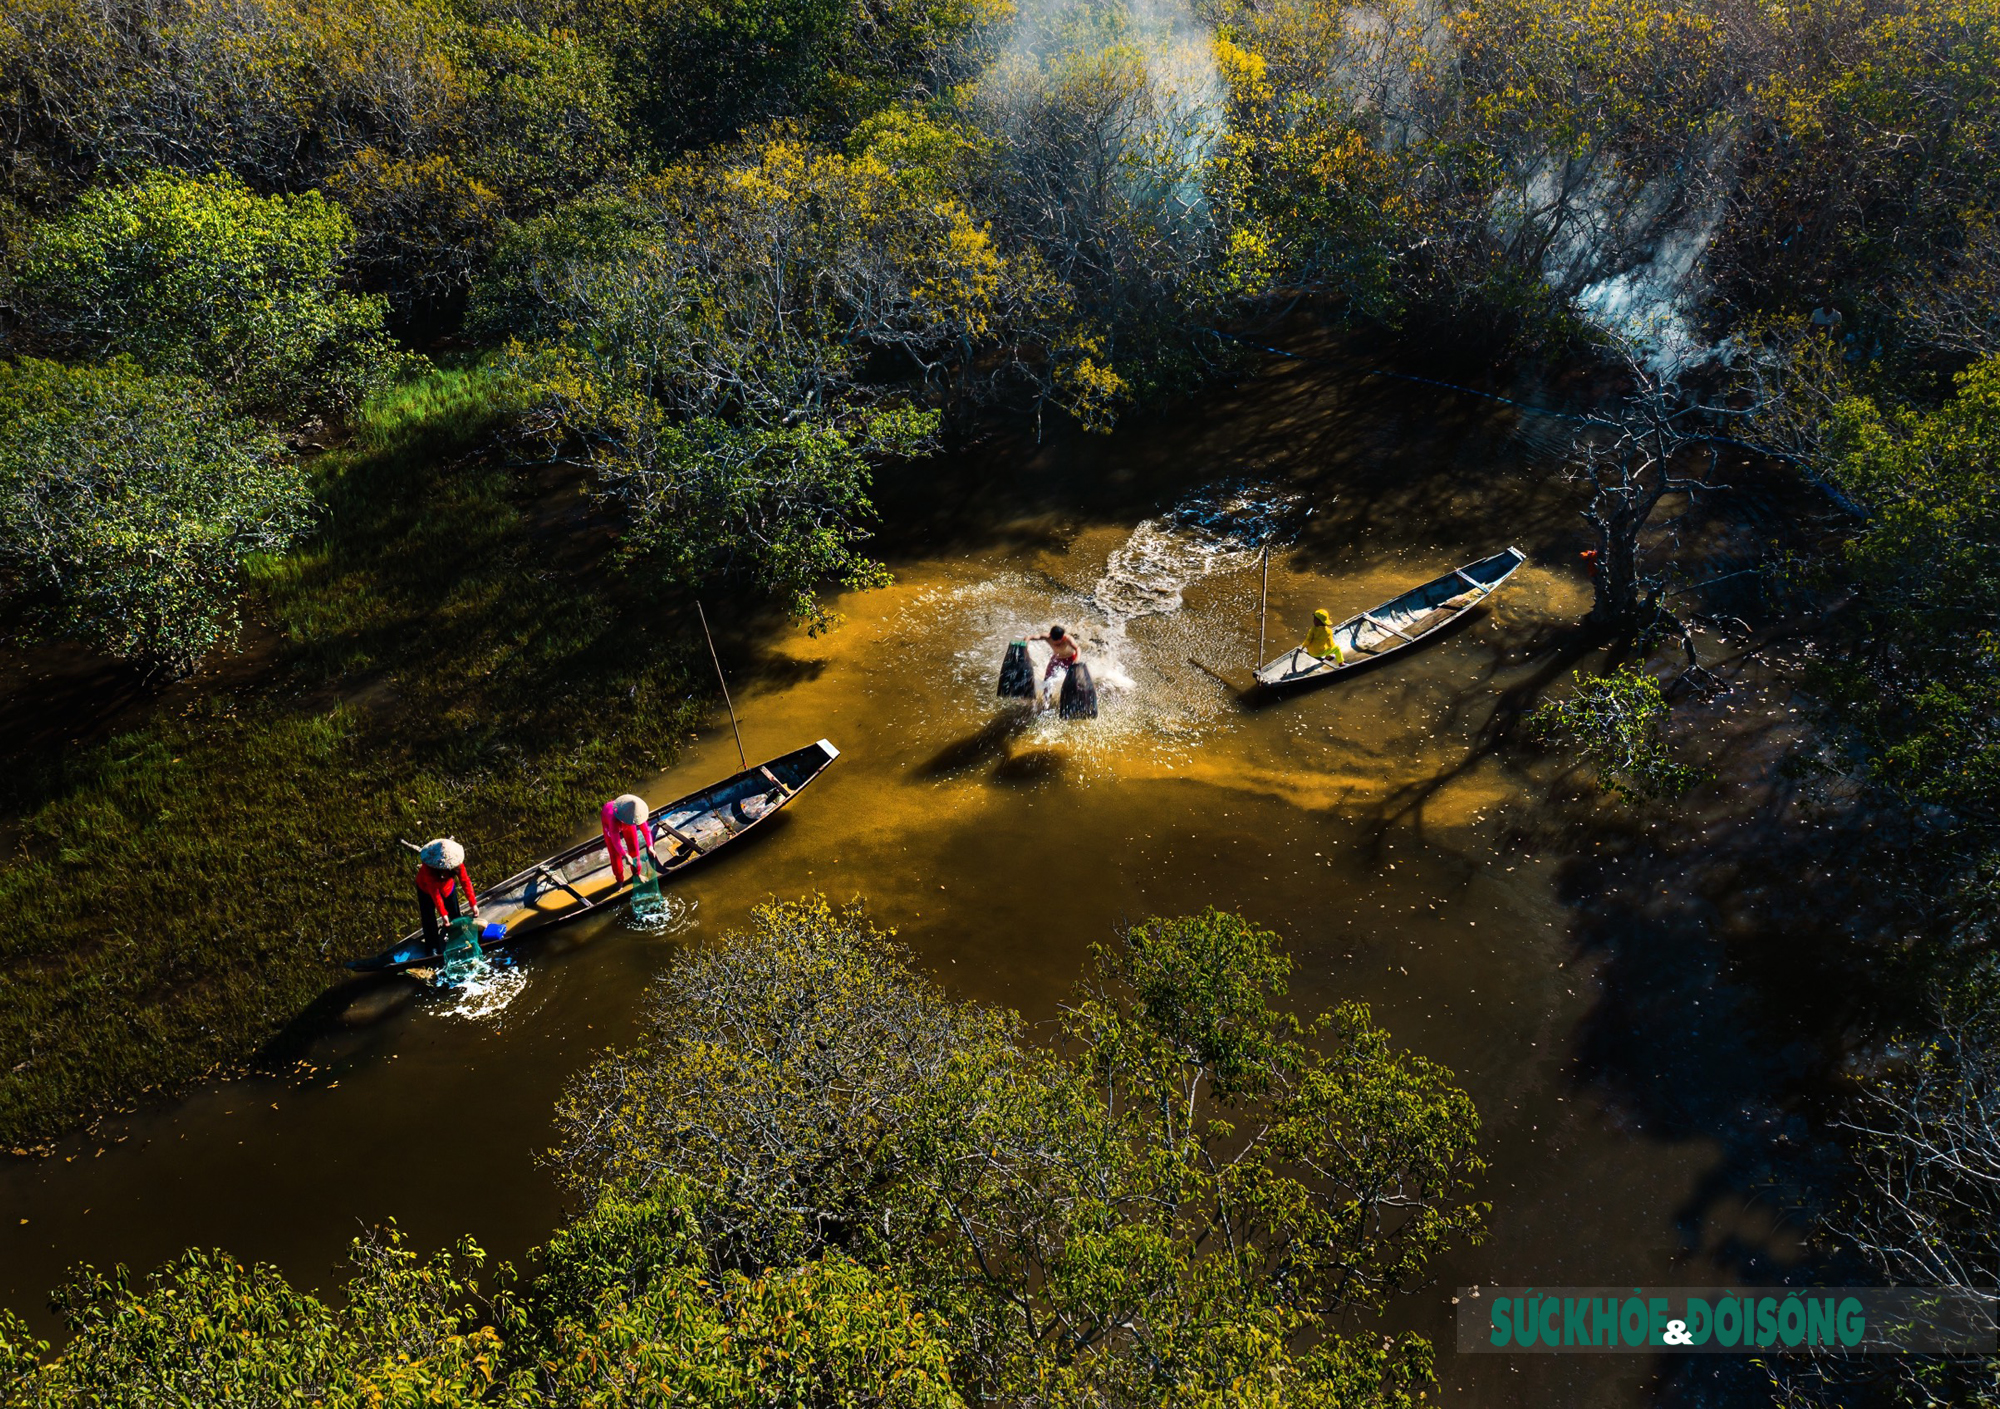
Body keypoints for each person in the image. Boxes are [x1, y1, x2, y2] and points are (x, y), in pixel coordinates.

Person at [415, 838, 478, 949]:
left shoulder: (457, 864)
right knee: (428, 918)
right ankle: (433, 946)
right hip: (426, 889)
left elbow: (465, 881)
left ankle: (458, 939)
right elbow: (435, 893)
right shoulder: (428, 869)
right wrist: (443, 914)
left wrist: (473, 903)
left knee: (454, 913)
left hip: (448, 888)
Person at [602, 793, 656, 884]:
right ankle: (619, 880)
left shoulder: (636, 814)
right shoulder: (613, 820)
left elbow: (646, 831)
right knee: (614, 854)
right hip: (609, 820)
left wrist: (650, 846)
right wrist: (625, 855)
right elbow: (616, 842)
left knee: (634, 847)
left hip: (627, 821)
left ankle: (636, 874)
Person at [1026, 624, 1082, 705]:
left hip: (1070, 659)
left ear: (1062, 636)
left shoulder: (1068, 639)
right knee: (1047, 680)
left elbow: (1078, 648)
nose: (1057, 642)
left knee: (1074, 680)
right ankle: (1046, 701)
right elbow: (1030, 637)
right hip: (1057, 658)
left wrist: (1077, 660)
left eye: (1059, 640)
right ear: (1050, 635)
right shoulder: (1047, 637)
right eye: (1054, 640)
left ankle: (1076, 698)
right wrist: (1025, 643)